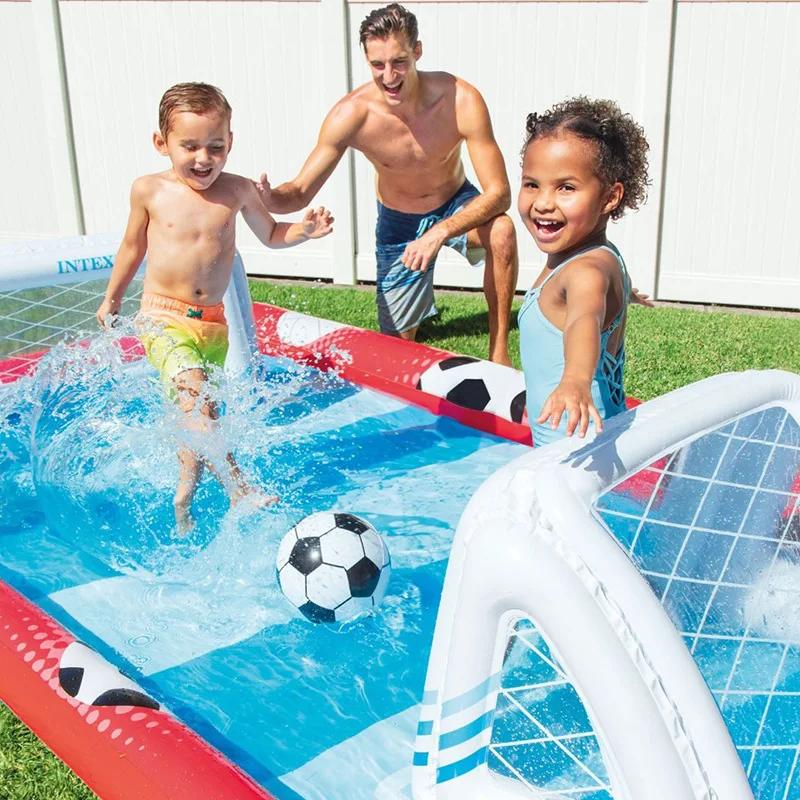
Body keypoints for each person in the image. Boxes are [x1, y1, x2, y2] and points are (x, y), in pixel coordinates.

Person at [96, 82, 334, 534]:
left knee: (199, 420)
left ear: (230, 143)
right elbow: (132, 247)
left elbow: (271, 234)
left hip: (213, 328)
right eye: (190, 146)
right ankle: (239, 489)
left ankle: (182, 500)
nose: (203, 158)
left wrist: (302, 231)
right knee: (201, 411)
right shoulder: (149, 190)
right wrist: (113, 297)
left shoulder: (239, 190)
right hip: (162, 317)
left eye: (216, 146)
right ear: (161, 143)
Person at [256, 3, 518, 366]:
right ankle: (414, 313)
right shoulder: (352, 114)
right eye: (378, 65)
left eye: (399, 62)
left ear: (417, 52)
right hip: (400, 223)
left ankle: (499, 351)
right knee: (395, 351)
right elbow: (299, 192)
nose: (389, 75)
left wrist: (440, 232)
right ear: (367, 60)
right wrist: (270, 198)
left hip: (455, 203)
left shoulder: (460, 99)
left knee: (501, 231)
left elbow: (499, 193)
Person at [516, 96, 650, 446]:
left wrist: (575, 381)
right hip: (588, 439)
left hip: (577, 449)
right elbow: (597, 300)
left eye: (566, 187)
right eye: (532, 184)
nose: (543, 202)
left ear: (609, 197)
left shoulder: (585, 272)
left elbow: (584, 320)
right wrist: (626, 293)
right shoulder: (593, 256)